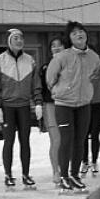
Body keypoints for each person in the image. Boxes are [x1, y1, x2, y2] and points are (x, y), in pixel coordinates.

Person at [46, 21, 100, 193]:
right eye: (74, 33)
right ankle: (63, 176)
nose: (79, 34)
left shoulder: (94, 57)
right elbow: (50, 78)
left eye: (81, 31)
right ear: (69, 38)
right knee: (66, 139)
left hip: (84, 104)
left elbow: (95, 75)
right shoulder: (62, 57)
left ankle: (75, 175)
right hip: (64, 104)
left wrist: (88, 92)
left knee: (80, 140)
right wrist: (59, 91)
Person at [0, 28, 43, 189]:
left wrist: (38, 102)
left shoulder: (30, 60)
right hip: (7, 108)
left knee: (25, 142)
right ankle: (8, 175)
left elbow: (36, 85)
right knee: (9, 142)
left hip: (24, 107)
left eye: (21, 38)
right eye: (15, 38)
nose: (19, 41)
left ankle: (26, 174)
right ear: (9, 41)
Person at [40, 36, 65, 185]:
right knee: (56, 140)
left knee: (67, 140)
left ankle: (66, 170)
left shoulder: (71, 64)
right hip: (51, 105)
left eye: (59, 45)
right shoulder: (45, 67)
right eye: (53, 46)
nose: (56, 48)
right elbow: (43, 88)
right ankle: (56, 171)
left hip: (68, 105)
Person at [82, 61, 100, 176]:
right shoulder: (80, 67)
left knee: (95, 134)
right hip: (84, 104)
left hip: (97, 104)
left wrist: (99, 96)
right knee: (84, 135)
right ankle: (84, 161)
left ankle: (94, 161)